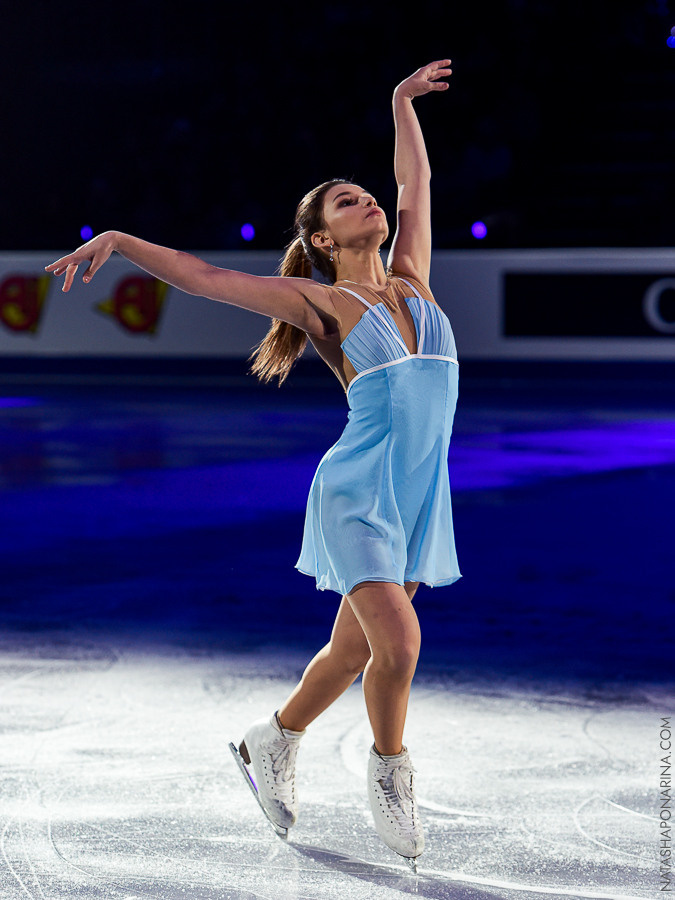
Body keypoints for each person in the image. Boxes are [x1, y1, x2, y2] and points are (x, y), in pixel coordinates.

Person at [45, 59, 459, 869]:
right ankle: (389, 770)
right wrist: (122, 240)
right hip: (357, 491)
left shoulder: (413, 281)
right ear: (320, 240)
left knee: (352, 652)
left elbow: (415, 183)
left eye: (363, 193)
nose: (367, 200)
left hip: (418, 495)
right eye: (347, 202)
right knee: (399, 646)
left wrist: (399, 104)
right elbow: (206, 279)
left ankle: (273, 740)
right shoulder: (322, 305)